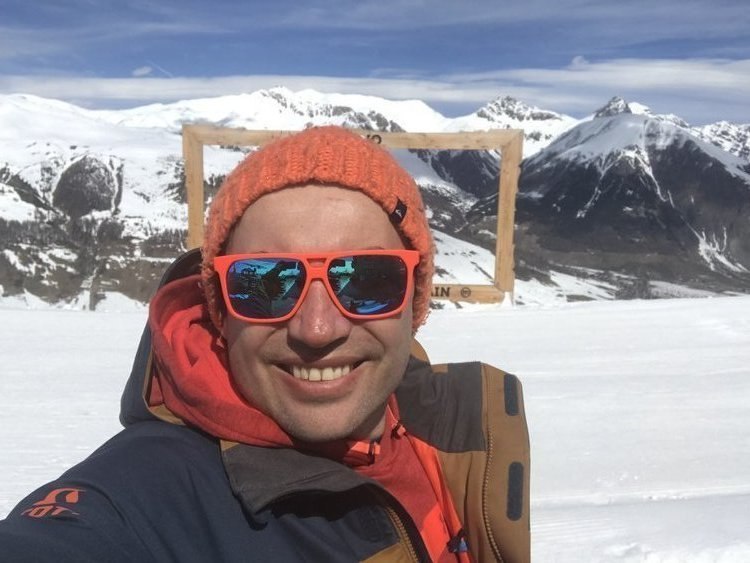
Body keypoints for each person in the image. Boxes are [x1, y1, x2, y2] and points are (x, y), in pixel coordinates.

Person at [0, 126, 530, 562]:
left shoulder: (444, 425)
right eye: (265, 284)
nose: (317, 330)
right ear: (221, 311)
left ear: (412, 299)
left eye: (366, 280)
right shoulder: (149, 493)